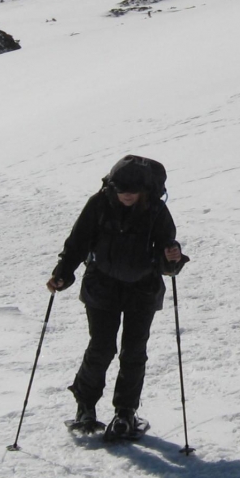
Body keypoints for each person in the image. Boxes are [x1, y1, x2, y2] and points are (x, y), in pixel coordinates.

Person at [48, 155, 184, 438]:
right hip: (102, 286)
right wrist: (63, 273)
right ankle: (86, 407)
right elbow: (78, 243)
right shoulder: (98, 204)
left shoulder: (157, 210)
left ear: (144, 190)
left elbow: (166, 254)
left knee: (133, 352)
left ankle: (125, 413)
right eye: (122, 190)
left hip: (142, 290)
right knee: (101, 348)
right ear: (112, 187)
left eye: (133, 191)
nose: (127, 195)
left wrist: (172, 259)